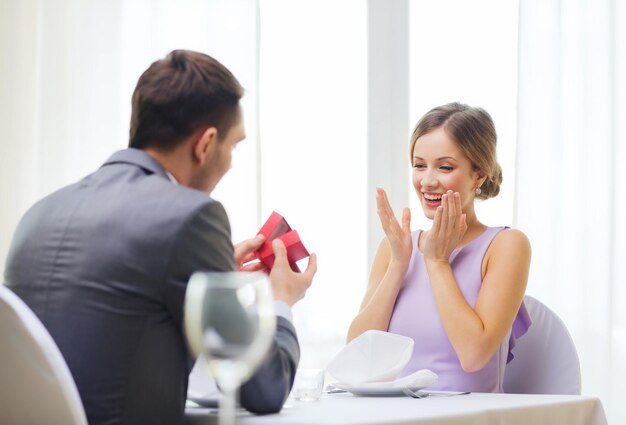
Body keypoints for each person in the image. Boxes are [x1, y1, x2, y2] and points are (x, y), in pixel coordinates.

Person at [3, 50, 317, 425]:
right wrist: (280, 302)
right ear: (205, 144)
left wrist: (211, 277)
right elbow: (264, 389)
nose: (231, 161)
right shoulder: (191, 217)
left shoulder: (38, 214)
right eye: (233, 146)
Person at [347, 102, 531, 393]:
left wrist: (437, 262)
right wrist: (398, 265)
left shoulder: (506, 246)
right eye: (419, 165)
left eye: (445, 167)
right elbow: (358, 357)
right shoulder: (396, 248)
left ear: (479, 175)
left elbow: (473, 356)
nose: (427, 181)